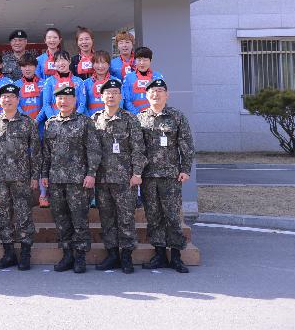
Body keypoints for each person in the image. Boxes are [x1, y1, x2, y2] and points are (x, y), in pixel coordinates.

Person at [41, 84, 101, 274]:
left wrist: (91, 173)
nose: (63, 101)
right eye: (60, 98)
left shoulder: (84, 122)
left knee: (79, 219)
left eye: (67, 98)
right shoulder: (50, 123)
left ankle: (80, 256)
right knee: (61, 219)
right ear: (55, 101)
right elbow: (46, 153)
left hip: (78, 180)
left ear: (75, 101)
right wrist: (44, 174)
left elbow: (93, 150)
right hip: (56, 180)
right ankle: (67, 254)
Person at [137, 78, 195, 274]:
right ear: (146, 95)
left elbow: (186, 145)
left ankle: (177, 256)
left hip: (171, 176)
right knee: (153, 217)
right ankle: (159, 253)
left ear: (167, 94)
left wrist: (185, 169)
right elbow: (137, 149)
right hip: (148, 176)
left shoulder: (177, 117)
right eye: (152, 91)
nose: (156, 94)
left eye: (160, 90)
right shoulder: (141, 118)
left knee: (172, 216)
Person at [90, 79, 146, 274]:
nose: (111, 96)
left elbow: (138, 148)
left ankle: (127, 256)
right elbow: (90, 149)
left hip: (125, 179)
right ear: (101, 96)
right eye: (108, 93)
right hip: (102, 179)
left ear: (121, 96)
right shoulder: (95, 119)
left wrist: (137, 173)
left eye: (115, 92)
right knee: (107, 218)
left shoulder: (130, 119)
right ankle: (112, 254)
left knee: (126, 218)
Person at [0, 83, 40, 271]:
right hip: (0, 178)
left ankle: (25, 253)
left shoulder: (28, 122)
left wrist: (35, 175)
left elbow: (35, 152)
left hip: (21, 177)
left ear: (18, 100)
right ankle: (8, 252)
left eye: (11, 96)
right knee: (2, 215)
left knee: (24, 215)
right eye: (4, 97)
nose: (7, 100)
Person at [15, 53, 48, 208]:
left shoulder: (44, 83)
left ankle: (43, 194)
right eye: (24, 66)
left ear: (35, 67)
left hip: (40, 127)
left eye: (30, 65)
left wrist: (37, 120)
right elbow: (16, 105)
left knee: (40, 161)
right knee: (23, 160)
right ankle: (24, 194)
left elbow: (46, 104)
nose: (27, 69)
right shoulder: (16, 84)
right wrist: (27, 120)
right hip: (22, 128)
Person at [41, 50, 87, 120]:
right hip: (56, 121)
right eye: (57, 61)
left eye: (63, 60)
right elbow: (46, 104)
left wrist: (75, 119)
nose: (61, 63)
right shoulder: (49, 81)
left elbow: (82, 103)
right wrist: (53, 120)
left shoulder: (79, 81)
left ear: (69, 61)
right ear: (54, 63)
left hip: (75, 121)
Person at [123, 47, 164, 115]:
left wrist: (153, 113)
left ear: (150, 61)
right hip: (134, 117)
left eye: (145, 60)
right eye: (139, 60)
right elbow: (127, 101)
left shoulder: (158, 76)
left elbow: (161, 97)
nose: (142, 63)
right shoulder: (128, 77)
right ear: (135, 61)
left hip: (154, 115)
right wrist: (137, 115)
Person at [83, 50, 114, 117]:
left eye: (103, 63)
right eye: (97, 62)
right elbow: (83, 104)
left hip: (111, 119)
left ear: (109, 65)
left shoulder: (116, 82)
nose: (100, 66)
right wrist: (89, 119)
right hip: (91, 120)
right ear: (93, 64)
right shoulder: (86, 83)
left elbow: (120, 103)